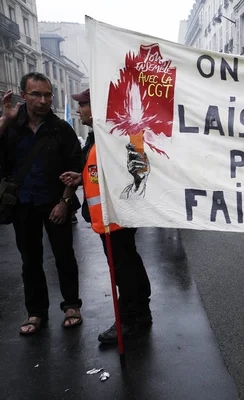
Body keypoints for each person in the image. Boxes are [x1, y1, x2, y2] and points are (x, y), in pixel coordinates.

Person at [60, 89, 152, 344]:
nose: (80, 110)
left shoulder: (112, 136)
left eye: (85, 105)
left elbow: (132, 169)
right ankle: (140, 313)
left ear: (97, 108)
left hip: (115, 217)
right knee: (128, 263)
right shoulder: (98, 136)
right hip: (111, 216)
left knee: (123, 269)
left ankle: (129, 320)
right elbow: (99, 171)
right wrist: (82, 178)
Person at [0, 73, 83, 335]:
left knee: (64, 257)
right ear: (23, 96)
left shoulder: (61, 128)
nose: (44, 100)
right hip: (23, 205)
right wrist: (4, 121)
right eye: (36, 94)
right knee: (30, 261)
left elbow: (76, 168)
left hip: (55, 203)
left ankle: (71, 305)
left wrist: (64, 203)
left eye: (48, 94)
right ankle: (35, 312)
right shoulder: (12, 127)